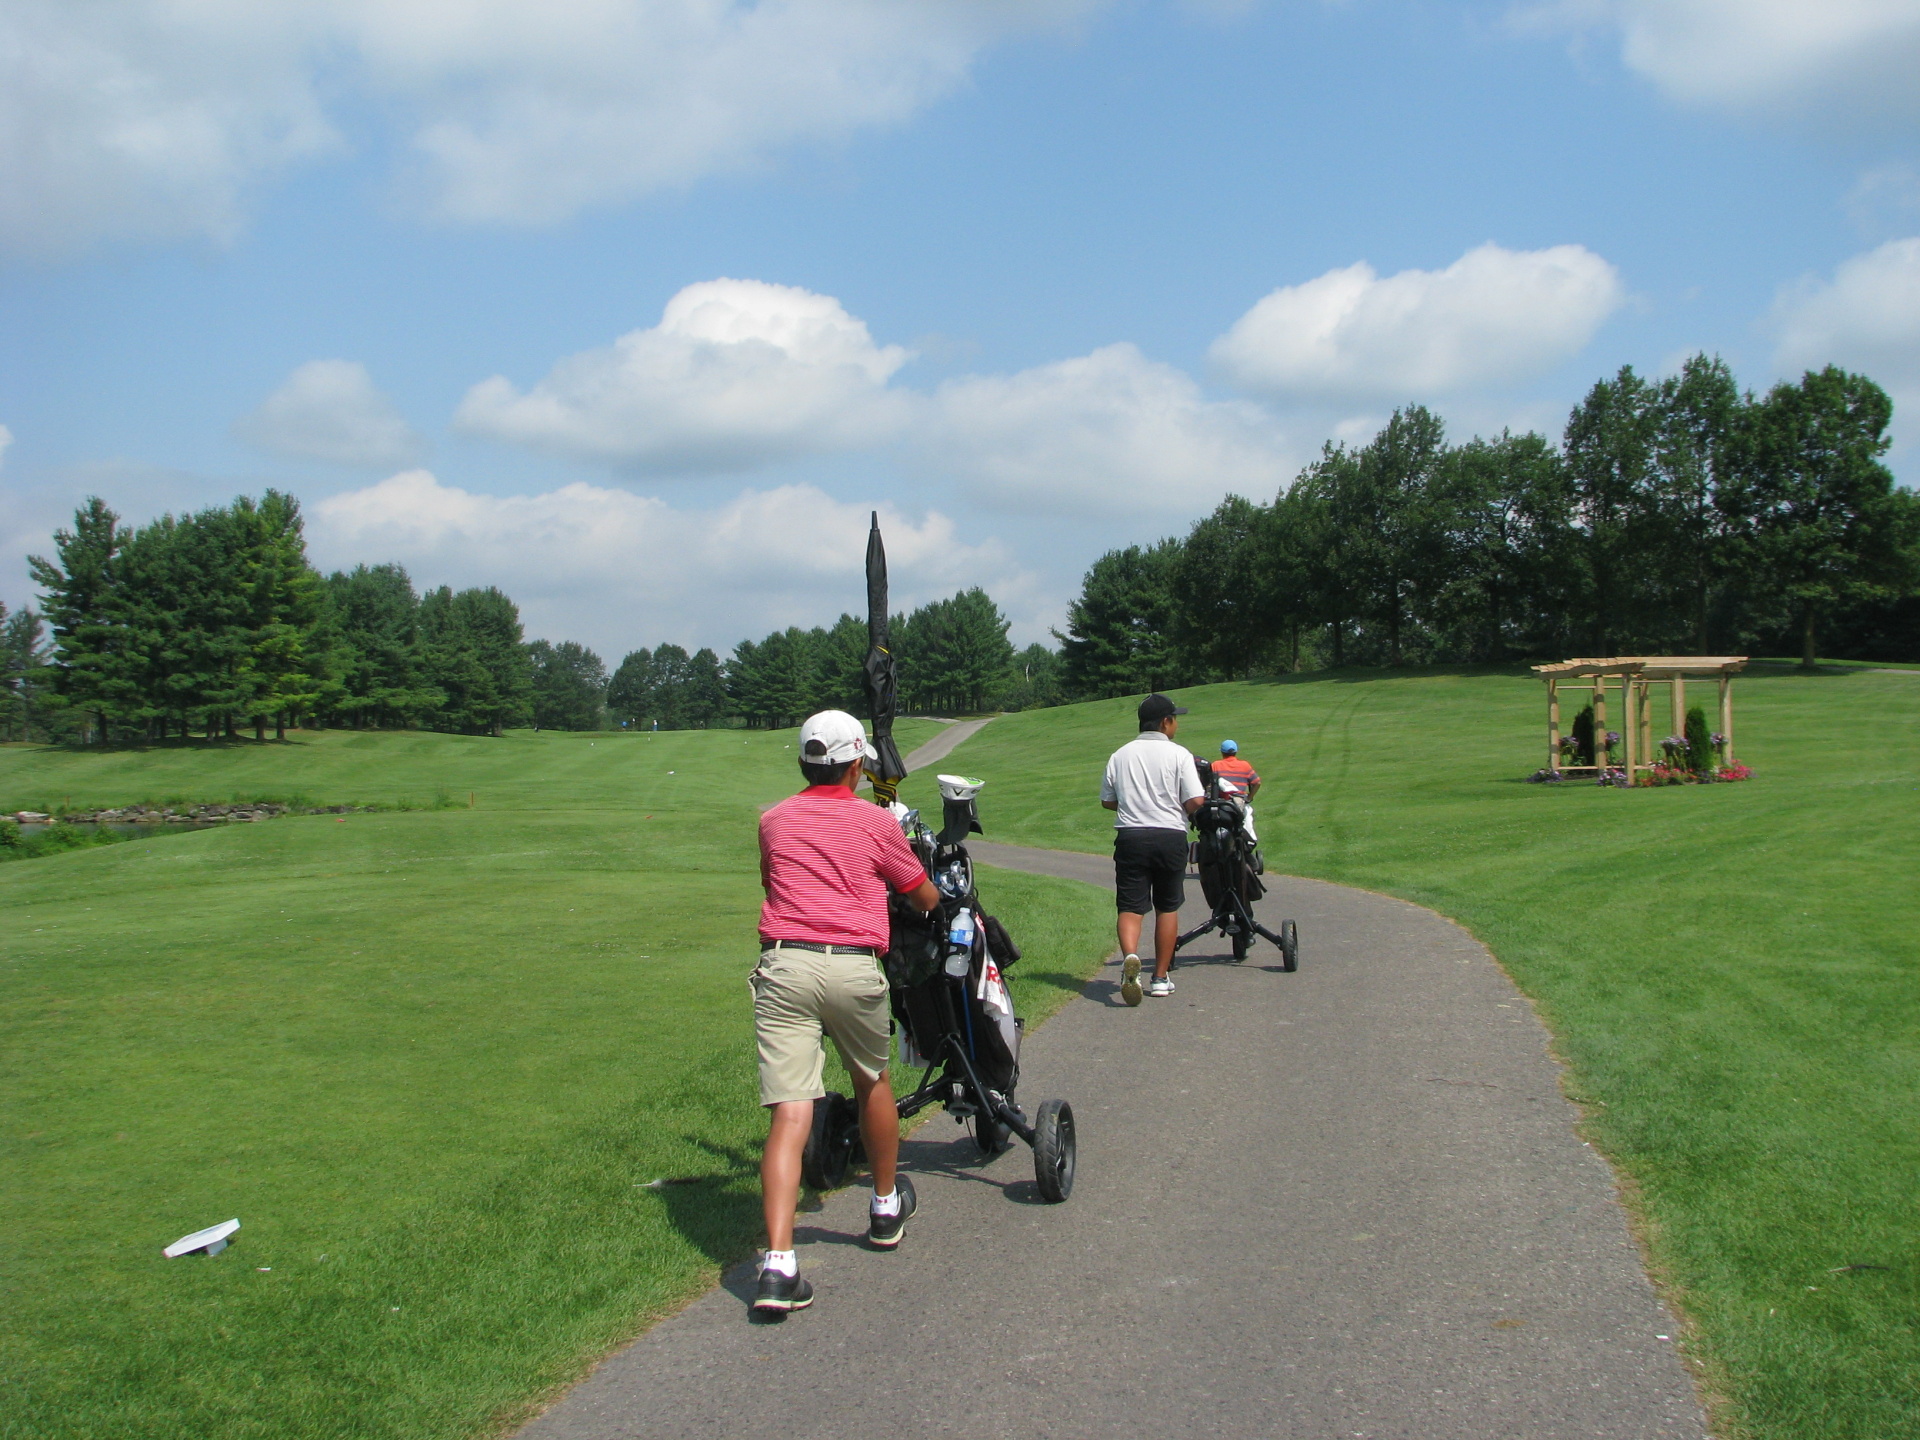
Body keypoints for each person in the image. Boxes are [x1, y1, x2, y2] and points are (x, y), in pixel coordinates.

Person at [751, 709, 941, 1316]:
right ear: (857, 765)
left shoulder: (774, 819)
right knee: (872, 1082)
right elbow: (922, 895)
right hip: (853, 965)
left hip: (785, 965)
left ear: (804, 763)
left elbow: (772, 881)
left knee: (791, 1112)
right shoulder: (874, 821)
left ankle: (778, 1266)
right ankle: (884, 1208)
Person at [1101, 693, 1205, 1004]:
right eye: (1175, 719)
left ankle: (1130, 958)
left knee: (1130, 907)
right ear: (1165, 722)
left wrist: (1133, 804)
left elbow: (1107, 800)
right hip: (1169, 835)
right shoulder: (1179, 754)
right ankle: (1160, 978)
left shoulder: (1120, 755)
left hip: (1131, 836)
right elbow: (1195, 800)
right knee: (1167, 907)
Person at [1211, 739, 1261, 843]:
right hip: (1239, 804)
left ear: (1222, 752)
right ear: (1236, 752)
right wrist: (1249, 798)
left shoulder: (1215, 765)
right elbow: (1257, 782)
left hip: (1221, 803)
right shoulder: (1245, 765)